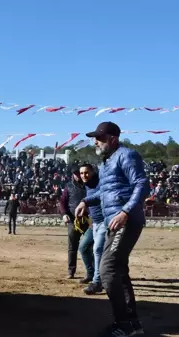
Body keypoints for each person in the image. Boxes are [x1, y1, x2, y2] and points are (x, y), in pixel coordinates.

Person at [75, 121, 149, 336]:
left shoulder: (127, 155)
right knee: (119, 271)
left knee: (107, 271)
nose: (95, 141)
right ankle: (133, 324)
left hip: (125, 220)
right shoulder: (106, 163)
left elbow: (142, 184)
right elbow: (107, 193)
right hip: (114, 221)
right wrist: (86, 201)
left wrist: (125, 212)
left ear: (113, 139)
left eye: (99, 137)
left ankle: (123, 324)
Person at [59, 164, 92, 282]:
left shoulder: (91, 185)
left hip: (89, 220)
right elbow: (62, 202)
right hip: (73, 221)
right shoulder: (68, 186)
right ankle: (71, 271)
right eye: (77, 174)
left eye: (80, 174)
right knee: (72, 247)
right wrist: (64, 214)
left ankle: (91, 272)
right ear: (73, 175)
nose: (79, 176)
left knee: (90, 247)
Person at [78, 163, 105, 295]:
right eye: (82, 173)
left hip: (105, 222)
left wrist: (84, 201)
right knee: (83, 247)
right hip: (94, 223)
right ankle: (92, 274)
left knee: (98, 250)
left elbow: (102, 194)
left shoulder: (100, 182)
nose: (84, 175)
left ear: (93, 172)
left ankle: (97, 282)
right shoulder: (87, 185)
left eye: (86, 172)